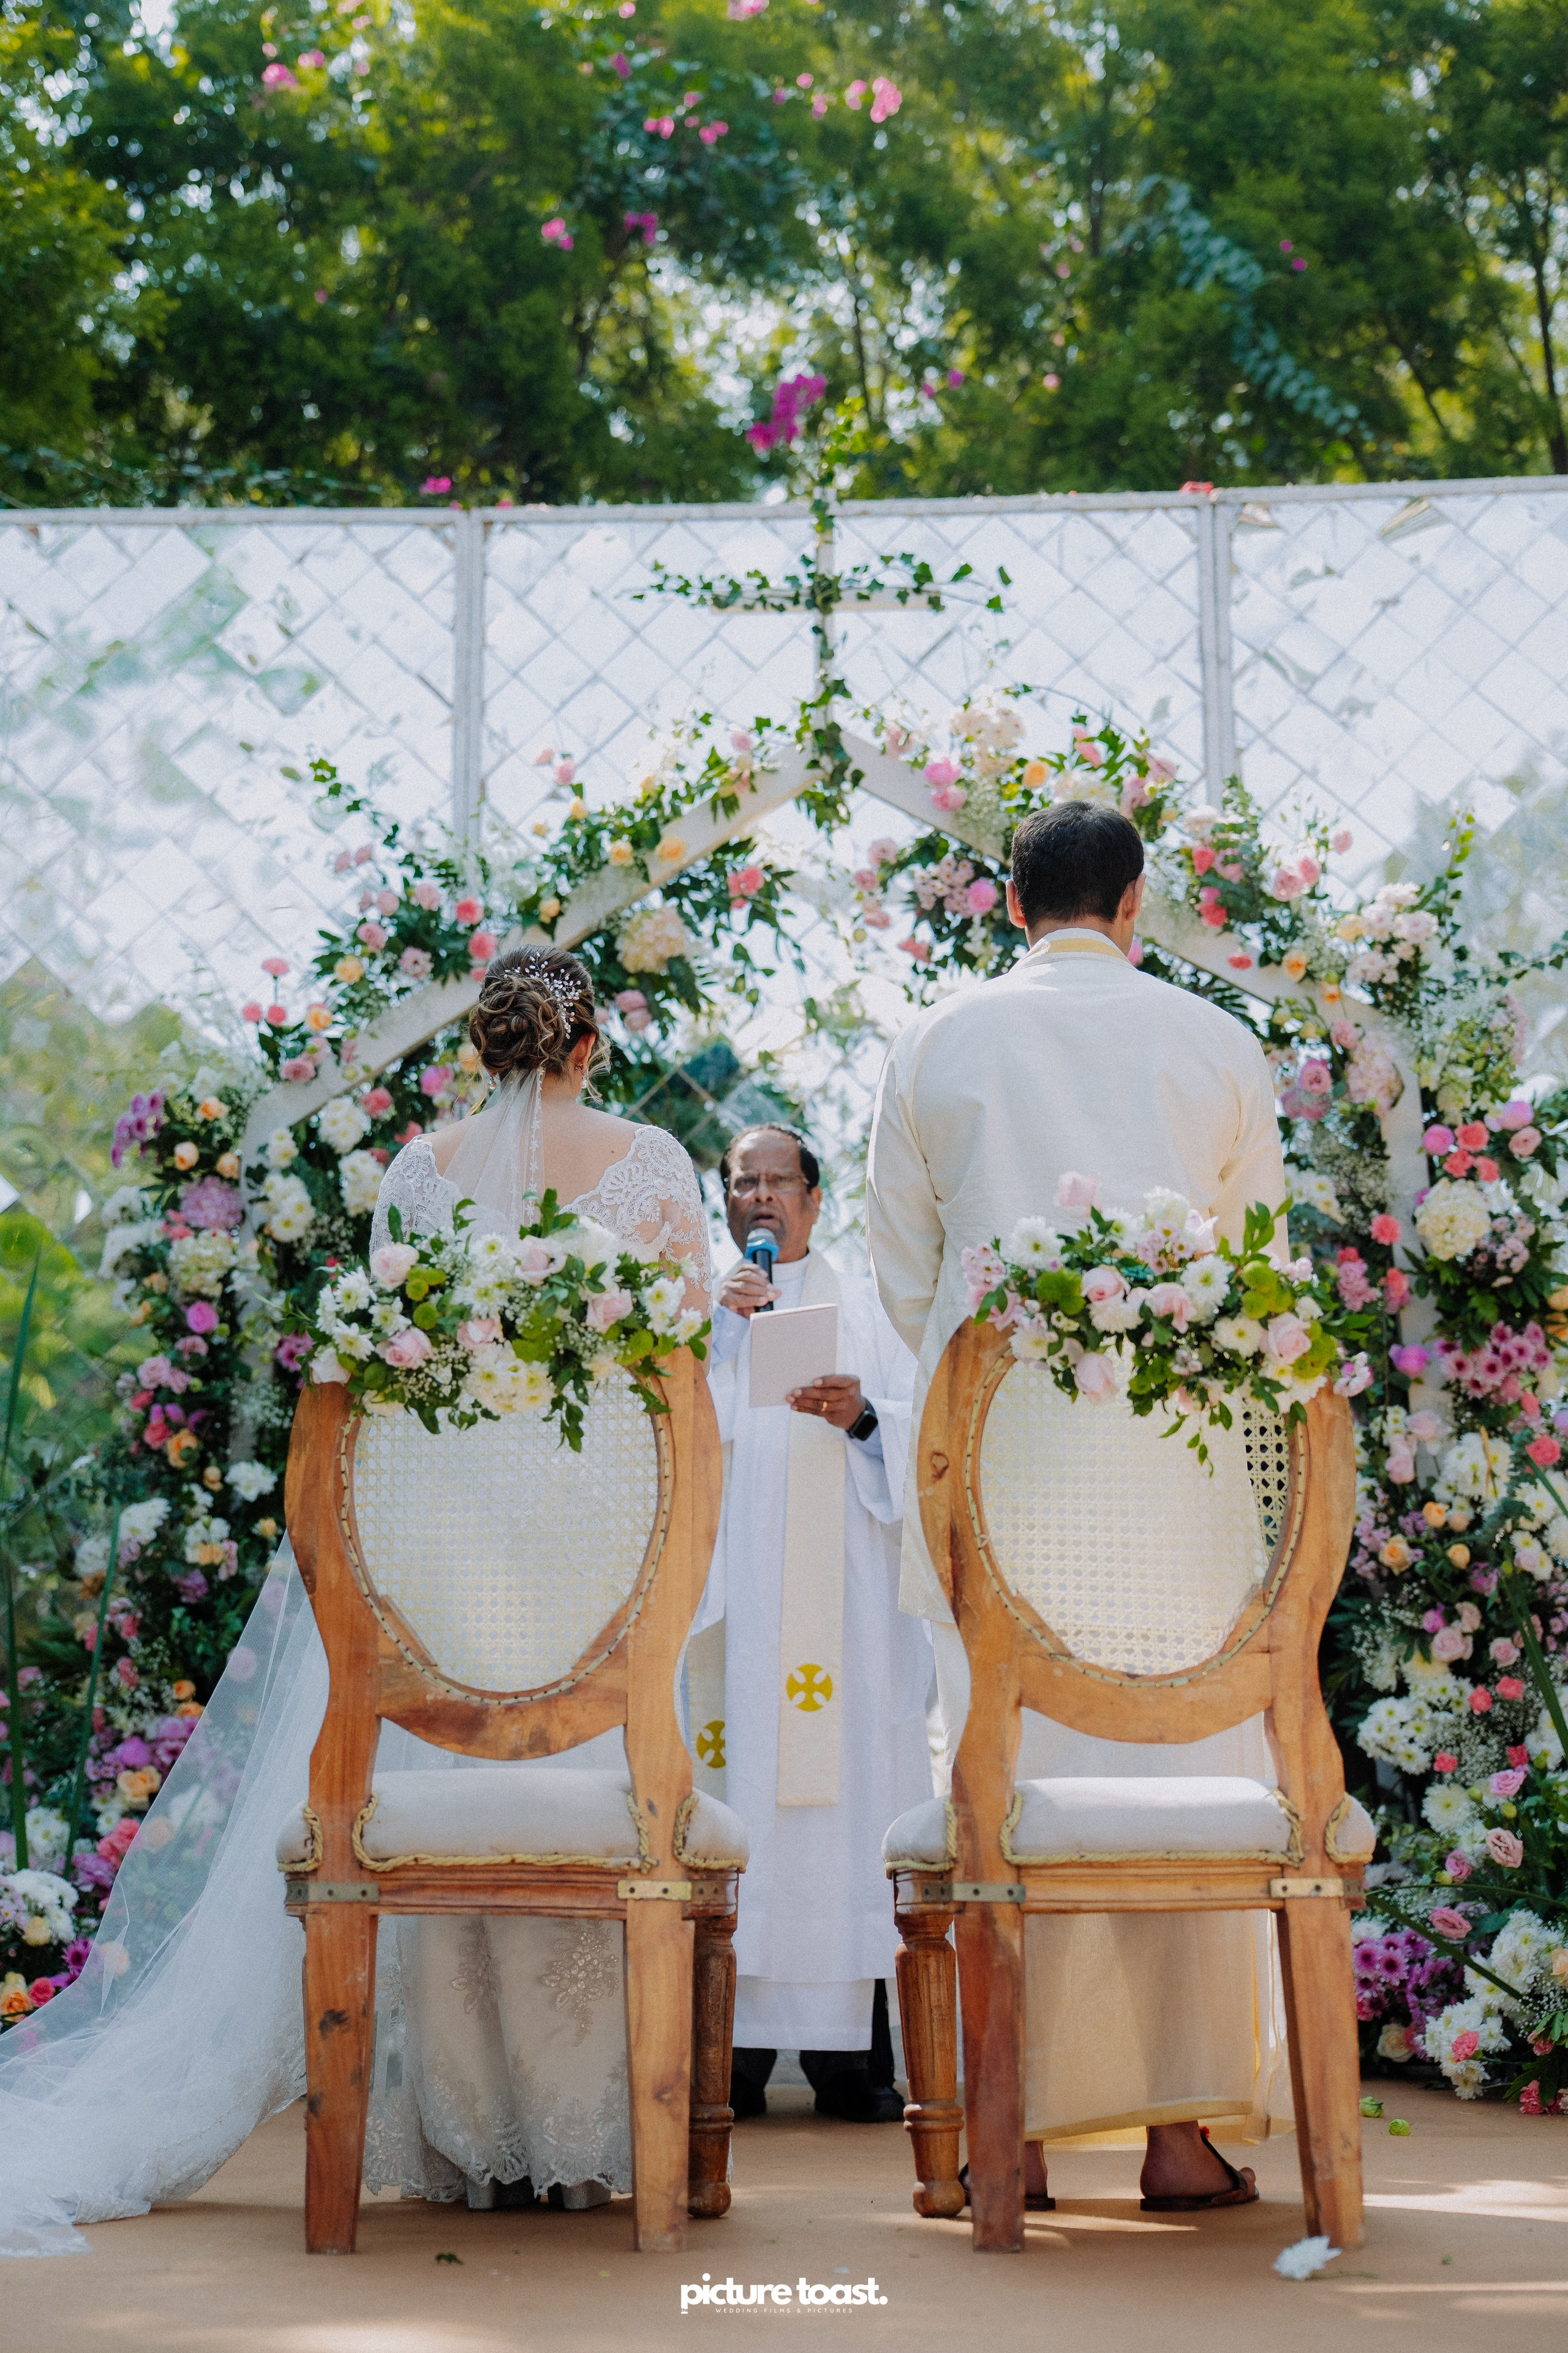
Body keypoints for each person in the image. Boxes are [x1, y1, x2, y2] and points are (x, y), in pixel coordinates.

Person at [0, 949, 714, 2255]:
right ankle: (581, 2136)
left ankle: (461, 2134)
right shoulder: (654, 1166)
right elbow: (686, 1378)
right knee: (605, 1755)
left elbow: (389, 1412)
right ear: (587, 1045)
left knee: (435, 1760)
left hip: (436, 1581)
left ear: (486, 1046)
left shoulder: (418, 1176)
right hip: (604, 1576)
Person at [866, 800, 1291, 2212]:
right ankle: (1175, 2136)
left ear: (1007, 907)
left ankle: (1016, 2133)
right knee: (1182, 1775)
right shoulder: (1213, 1039)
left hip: (996, 1480)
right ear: (1132, 905)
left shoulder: (935, 1037)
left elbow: (905, 1278)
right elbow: (1250, 1266)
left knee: (1001, 1776)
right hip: (1170, 1485)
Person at [688, 1125, 931, 2124]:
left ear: (814, 1196)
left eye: (775, 1180)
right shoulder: (703, 1304)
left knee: (850, 1799)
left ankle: (853, 2060)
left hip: (846, 1604)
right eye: (741, 1182)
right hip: (738, 1609)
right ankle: (729, 2056)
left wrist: (865, 1417)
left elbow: (922, 1419)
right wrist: (722, 1334)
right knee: (737, 1791)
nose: (757, 1198)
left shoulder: (866, 1298)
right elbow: (671, 1429)